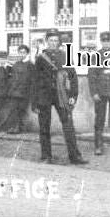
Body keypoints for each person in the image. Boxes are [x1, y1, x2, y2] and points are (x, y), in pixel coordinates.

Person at [32, 29, 87, 165]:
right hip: (44, 95)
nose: (53, 43)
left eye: (56, 40)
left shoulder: (65, 55)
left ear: (59, 42)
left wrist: (73, 95)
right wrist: (34, 102)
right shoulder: (40, 58)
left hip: (61, 95)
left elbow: (73, 77)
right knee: (44, 126)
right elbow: (35, 80)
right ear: (47, 41)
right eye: (51, 40)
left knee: (68, 125)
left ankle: (75, 156)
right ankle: (46, 156)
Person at [4, 45, 33, 133]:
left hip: (24, 91)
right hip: (14, 91)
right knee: (13, 109)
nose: (22, 54)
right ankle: (14, 127)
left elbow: (30, 79)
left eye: (24, 52)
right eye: (20, 52)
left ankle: (19, 128)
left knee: (21, 110)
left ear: (27, 53)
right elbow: (12, 77)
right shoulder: (16, 64)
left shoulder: (30, 65)